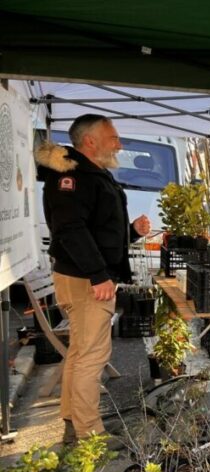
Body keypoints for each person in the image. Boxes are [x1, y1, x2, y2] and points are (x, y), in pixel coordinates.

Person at [35, 114, 151, 445]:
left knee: (80, 352)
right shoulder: (73, 177)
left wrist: (131, 233)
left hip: (86, 277)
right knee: (92, 356)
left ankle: (73, 419)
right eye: (113, 137)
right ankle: (90, 435)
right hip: (87, 282)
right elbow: (71, 230)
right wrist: (99, 276)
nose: (119, 143)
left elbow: (97, 230)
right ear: (91, 141)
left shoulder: (89, 174)